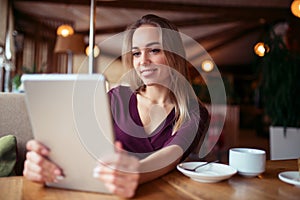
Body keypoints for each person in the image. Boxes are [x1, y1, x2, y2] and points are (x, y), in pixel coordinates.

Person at [23, 14, 210, 198]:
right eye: (136, 53)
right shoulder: (116, 98)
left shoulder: (194, 111)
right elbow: (76, 141)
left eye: (154, 50)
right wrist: (47, 160)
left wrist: (132, 173)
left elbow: (171, 155)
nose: (143, 61)